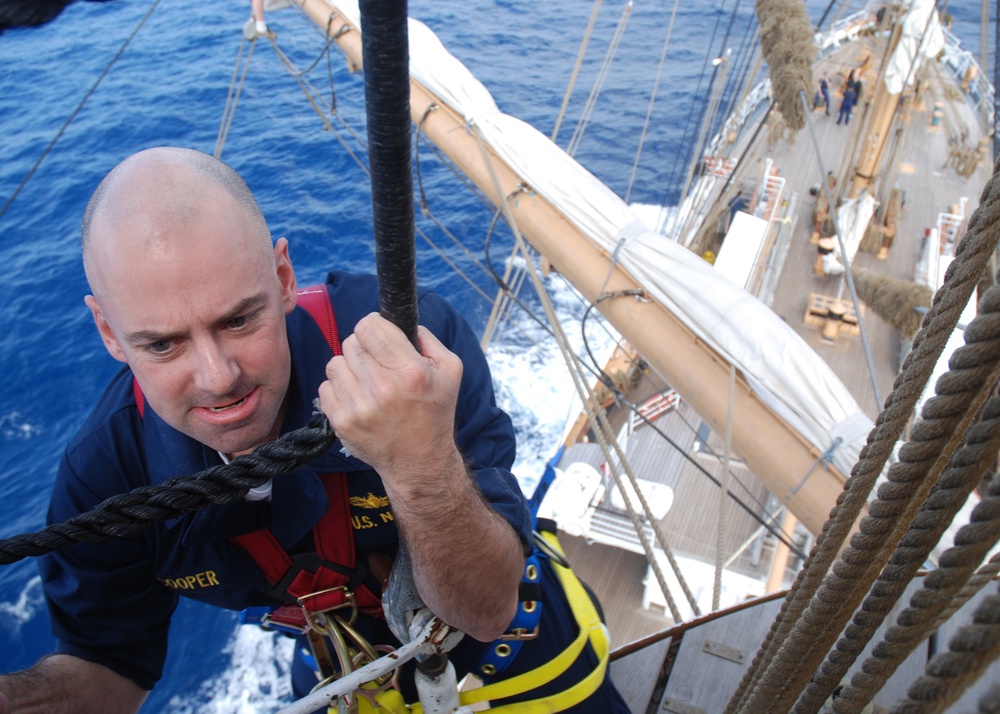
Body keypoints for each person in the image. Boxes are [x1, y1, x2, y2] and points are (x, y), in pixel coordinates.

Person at [0, 147, 627, 713]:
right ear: (109, 332)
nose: (218, 378)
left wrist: (420, 462)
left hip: (524, 660)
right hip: (344, 679)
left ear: (282, 279)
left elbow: (488, 609)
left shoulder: (407, 353)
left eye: (240, 320)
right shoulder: (108, 477)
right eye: (162, 345)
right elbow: (105, 667)